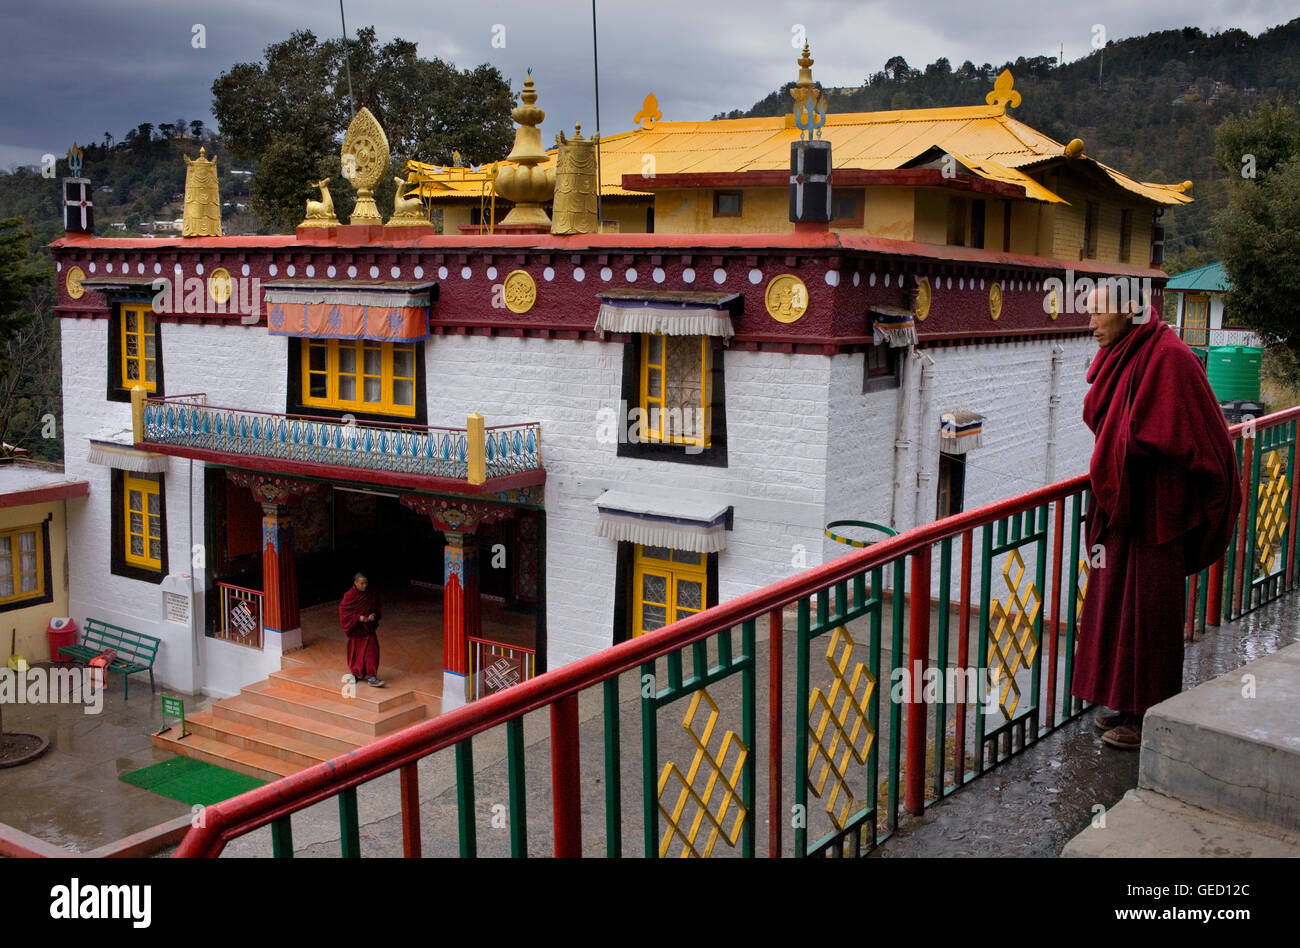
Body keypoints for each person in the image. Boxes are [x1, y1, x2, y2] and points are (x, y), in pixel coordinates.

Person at [1071, 285, 1241, 749]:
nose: (1089, 324)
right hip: (1126, 507)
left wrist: (1134, 454)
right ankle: (1124, 704)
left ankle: (1151, 714)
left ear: (1128, 314)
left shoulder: (1169, 358)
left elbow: (1198, 440)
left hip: (1159, 512)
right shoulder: (1130, 351)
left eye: (1097, 314)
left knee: (1149, 614)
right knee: (1114, 606)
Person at [340, 572, 385, 687]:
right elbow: (344, 612)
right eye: (362, 583)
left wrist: (373, 615)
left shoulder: (371, 594)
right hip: (356, 630)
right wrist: (358, 618)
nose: (365, 586)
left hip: (368, 629)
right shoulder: (349, 596)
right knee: (356, 653)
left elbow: (376, 607)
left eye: (366, 583)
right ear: (355, 583)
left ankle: (372, 677)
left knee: (372, 653)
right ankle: (355, 674)